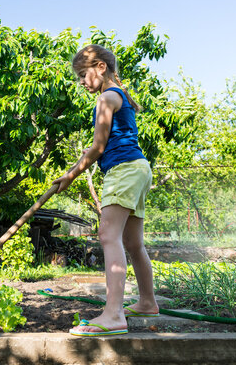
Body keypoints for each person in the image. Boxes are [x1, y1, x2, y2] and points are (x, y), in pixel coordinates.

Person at [53, 44, 159, 337]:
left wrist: (71, 175)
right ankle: (148, 302)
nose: (82, 82)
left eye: (83, 74)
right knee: (133, 243)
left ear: (100, 67)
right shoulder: (118, 96)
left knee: (107, 236)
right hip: (139, 168)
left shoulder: (106, 98)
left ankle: (113, 315)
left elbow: (98, 148)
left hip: (123, 170)